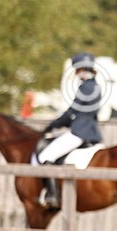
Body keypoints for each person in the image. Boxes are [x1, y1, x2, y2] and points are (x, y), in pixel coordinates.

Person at [37, 53, 103, 208]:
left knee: (46, 155)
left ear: (82, 69)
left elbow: (72, 112)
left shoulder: (86, 87)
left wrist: (53, 124)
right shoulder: (95, 86)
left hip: (80, 132)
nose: (76, 73)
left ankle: (52, 196)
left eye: (77, 70)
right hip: (90, 130)